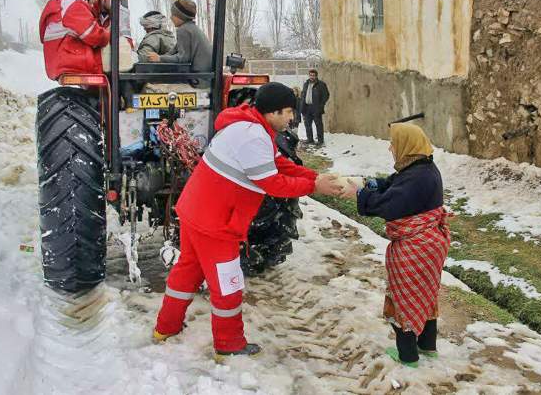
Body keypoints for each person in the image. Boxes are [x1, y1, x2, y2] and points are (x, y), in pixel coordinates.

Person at [153, 82, 344, 357]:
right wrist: (315, 188)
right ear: (273, 112)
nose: (292, 117)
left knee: (187, 271)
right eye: (288, 111)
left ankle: (166, 327)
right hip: (217, 222)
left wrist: (314, 177)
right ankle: (229, 344)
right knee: (227, 287)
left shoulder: (249, 126)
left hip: (197, 212)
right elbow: (273, 183)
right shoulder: (254, 136)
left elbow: (279, 164)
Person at [342, 123, 450, 368]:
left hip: (416, 245)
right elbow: (391, 184)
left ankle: (408, 356)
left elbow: (389, 204)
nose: (391, 147)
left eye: (394, 142)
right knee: (426, 294)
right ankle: (427, 346)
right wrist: (367, 183)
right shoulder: (420, 167)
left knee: (405, 297)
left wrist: (359, 196)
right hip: (430, 243)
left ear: (406, 145)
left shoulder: (417, 177)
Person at [39, 0, 110, 80]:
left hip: (58, 59)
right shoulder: (75, 5)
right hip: (70, 59)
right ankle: (127, 96)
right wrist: (110, 35)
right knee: (110, 64)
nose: (96, 0)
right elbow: (94, 35)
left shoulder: (65, 3)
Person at [146, 0, 211, 72]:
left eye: (173, 14)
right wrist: (159, 57)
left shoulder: (183, 30)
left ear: (180, 16)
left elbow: (183, 58)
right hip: (204, 75)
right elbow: (174, 50)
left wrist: (160, 58)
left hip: (199, 79)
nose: (170, 17)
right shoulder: (191, 28)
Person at [300, 69, 329, 146]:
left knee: (318, 125)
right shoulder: (306, 84)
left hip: (316, 107)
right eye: (310, 75)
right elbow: (303, 94)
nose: (312, 77)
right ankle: (310, 139)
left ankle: (320, 141)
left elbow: (326, 95)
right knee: (307, 124)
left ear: (316, 76)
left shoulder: (321, 84)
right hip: (306, 107)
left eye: (313, 75)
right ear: (309, 75)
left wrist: (321, 105)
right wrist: (302, 106)